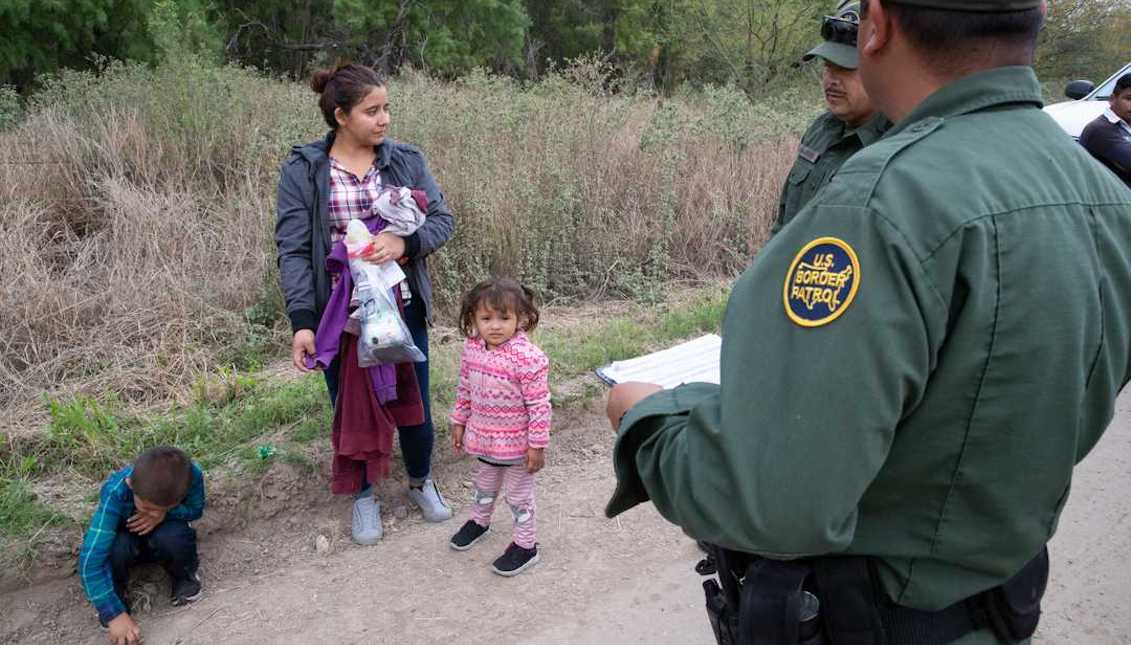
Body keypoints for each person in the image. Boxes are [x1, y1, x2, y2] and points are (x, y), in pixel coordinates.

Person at [604, 0, 1131, 643]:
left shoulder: (883, 202)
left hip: (873, 614)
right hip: (1001, 603)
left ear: (877, 25)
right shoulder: (1106, 194)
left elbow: (773, 503)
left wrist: (647, 420)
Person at [276, 64, 454, 546]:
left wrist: (404, 244)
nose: (384, 120)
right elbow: (292, 249)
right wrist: (303, 322)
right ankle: (363, 497)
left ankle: (421, 481)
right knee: (350, 407)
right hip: (341, 316)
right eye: (372, 111)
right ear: (340, 116)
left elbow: (442, 220)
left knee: (413, 400)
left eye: (387, 108)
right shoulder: (304, 170)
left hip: (401, 306)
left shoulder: (405, 160)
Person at [448, 278, 551, 577]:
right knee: (484, 485)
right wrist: (459, 421)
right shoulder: (472, 350)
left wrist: (537, 445)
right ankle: (480, 521)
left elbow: (539, 405)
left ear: (521, 319)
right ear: (473, 319)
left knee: (518, 497)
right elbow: (465, 388)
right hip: (485, 440)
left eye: (504, 318)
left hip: (518, 446)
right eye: (486, 318)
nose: (495, 326)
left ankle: (525, 545)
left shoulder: (528, 359)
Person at [775, 0, 889, 235]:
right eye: (828, 66)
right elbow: (782, 226)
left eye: (846, 68)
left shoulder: (895, 148)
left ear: (881, 70)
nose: (832, 80)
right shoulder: (821, 129)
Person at [78, 446, 205, 645]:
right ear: (130, 485)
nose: (151, 513)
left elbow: (195, 510)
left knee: (174, 536)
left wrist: (165, 515)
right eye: (146, 507)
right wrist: (113, 614)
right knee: (116, 547)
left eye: (160, 508)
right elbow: (90, 563)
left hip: (164, 533)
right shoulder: (115, 493)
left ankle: (184, 577)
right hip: (127, 539)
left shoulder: (190, 476)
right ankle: (117, 597)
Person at [1079, 72, 1131, 188]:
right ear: (1112, 99)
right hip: (1113, 200)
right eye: (1129, 99)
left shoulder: (1126, 124)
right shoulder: (1100, 129)